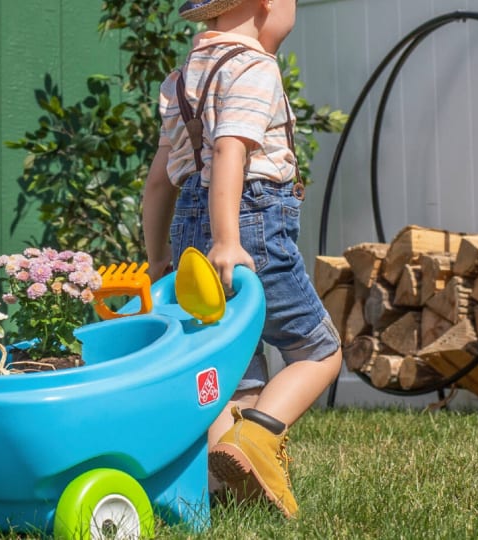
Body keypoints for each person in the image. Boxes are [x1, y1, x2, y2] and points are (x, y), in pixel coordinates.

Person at [143, 0, 342, 517]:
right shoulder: (253, 65)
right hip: (251, 219)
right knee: (318, 353)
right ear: (266, 6)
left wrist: (158, 257)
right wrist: (229, 239)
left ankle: (219, 486)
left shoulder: (181, 78)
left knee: (230, 362)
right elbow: (232, 149)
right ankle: (256, 438)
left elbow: (159, 182)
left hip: (191, 223)